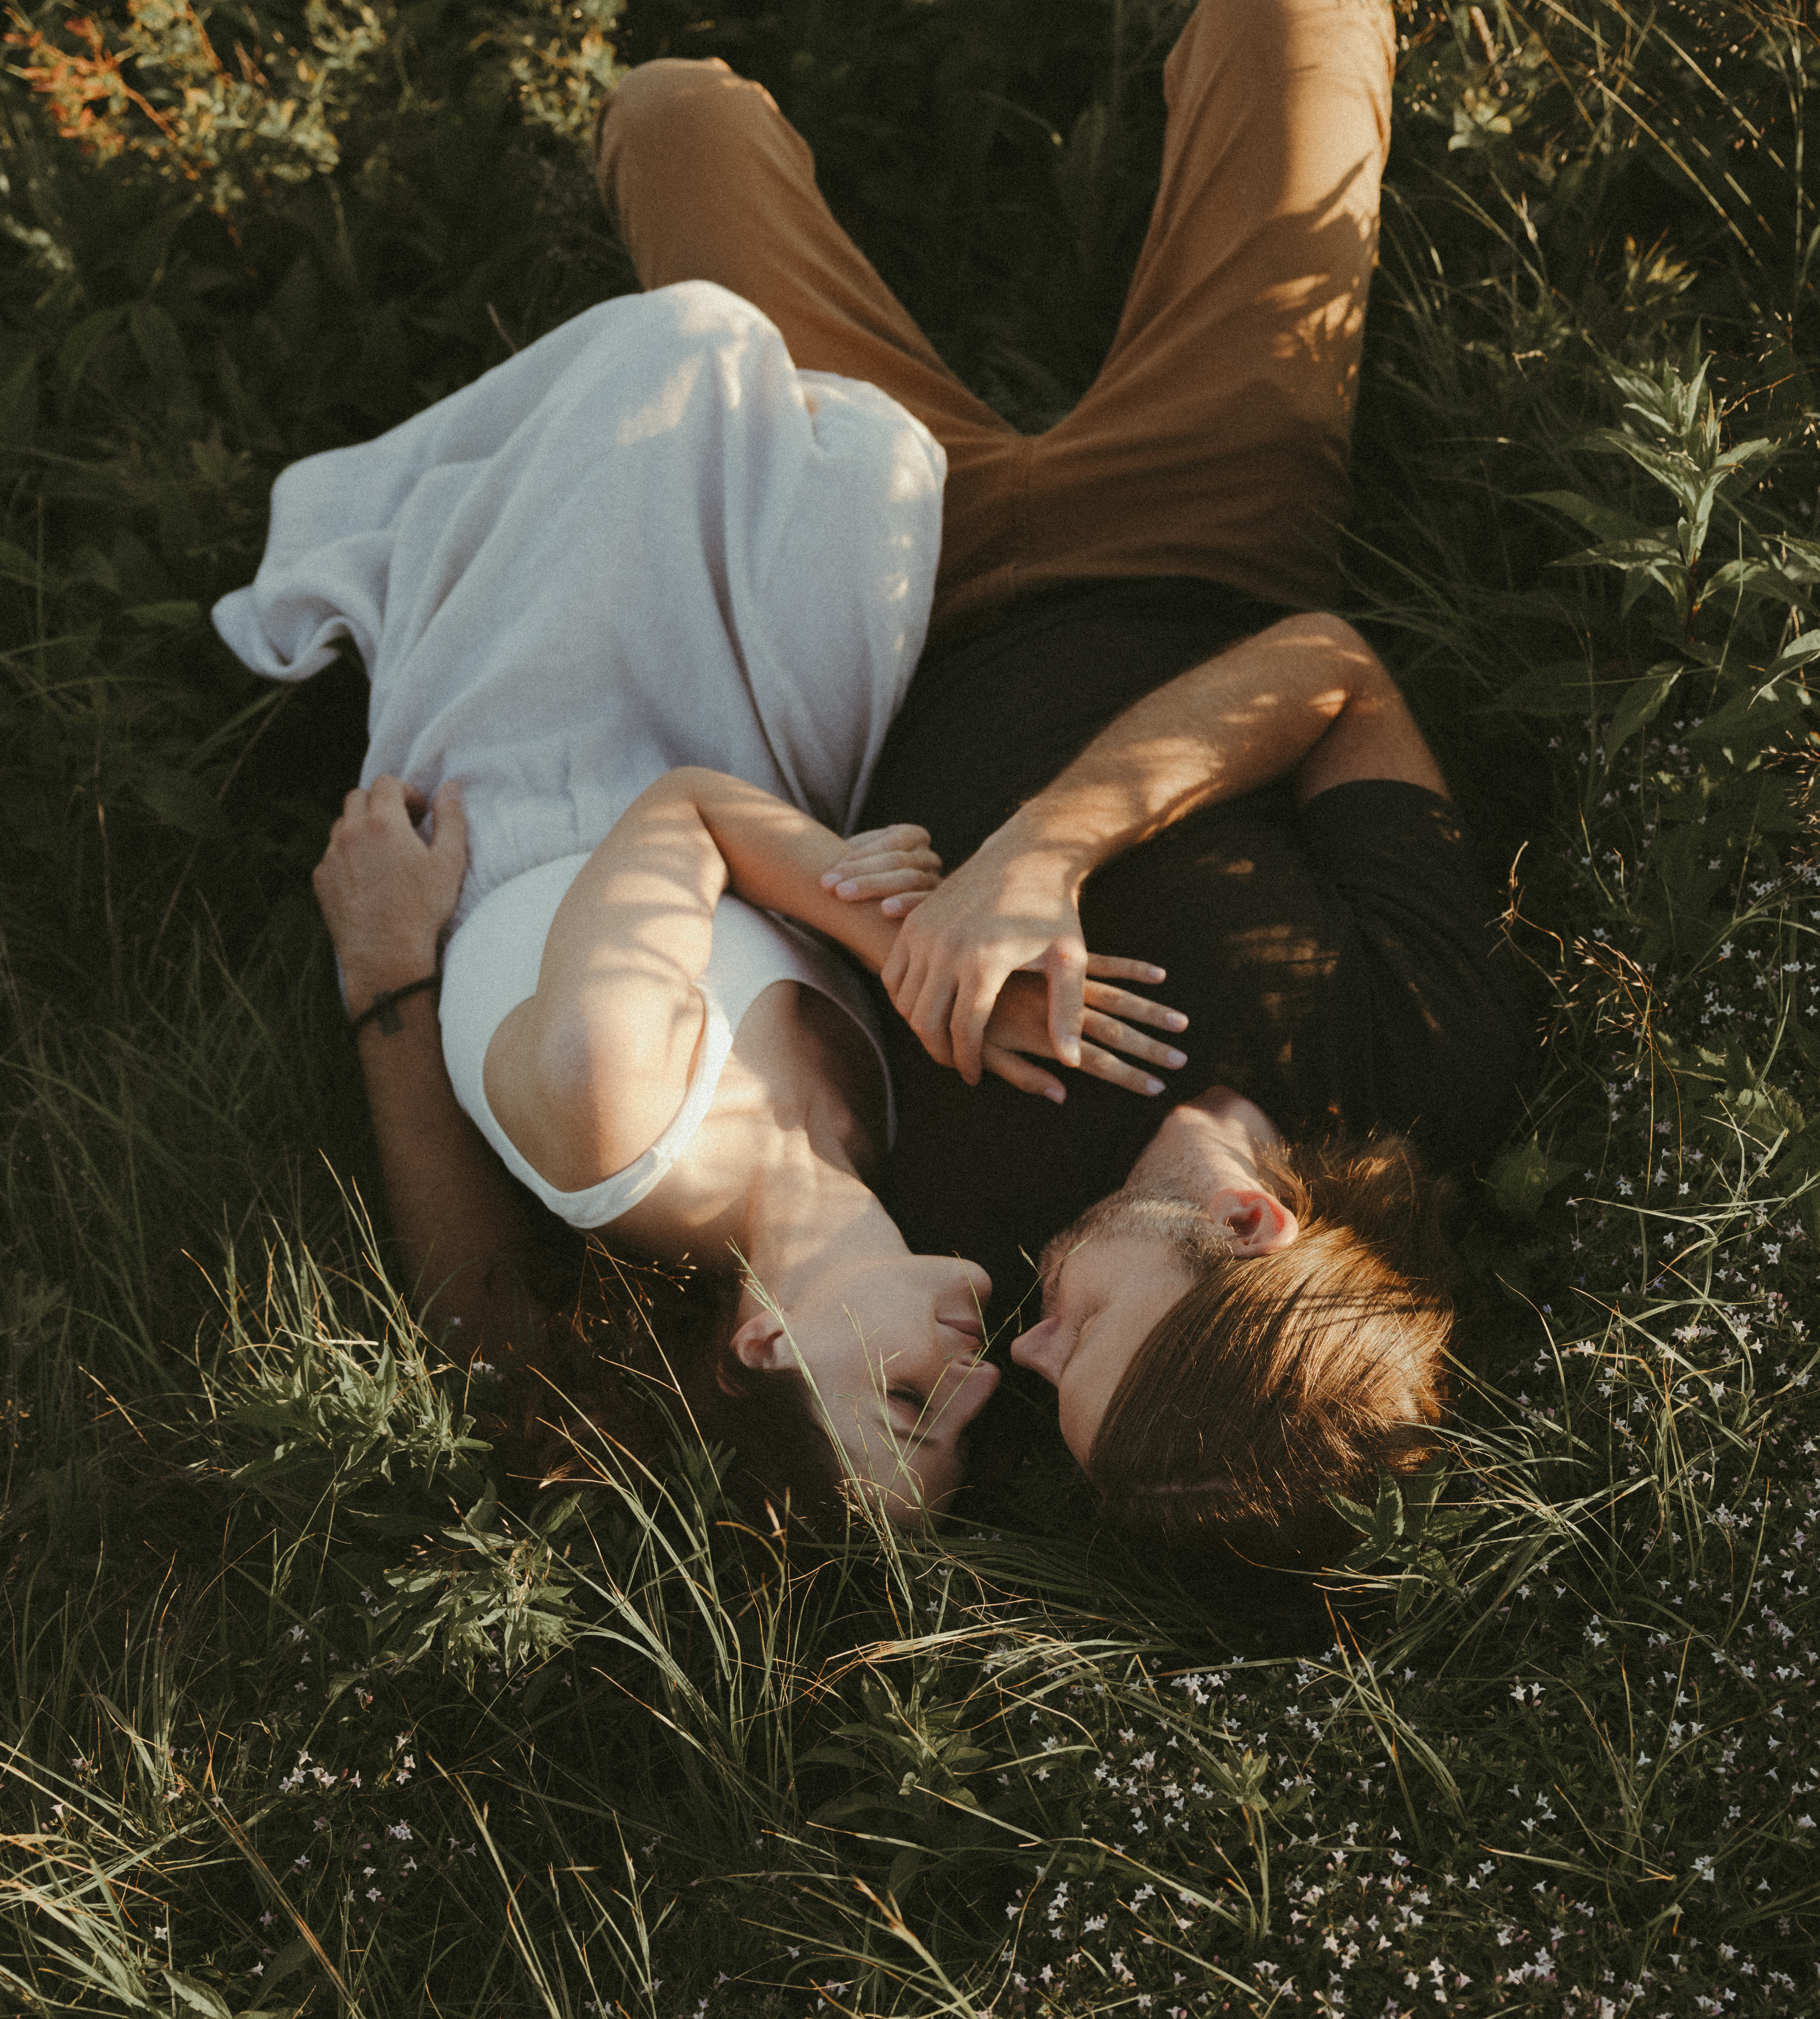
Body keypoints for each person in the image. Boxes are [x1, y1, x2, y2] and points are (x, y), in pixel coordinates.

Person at [593, 0, 1533, 1567]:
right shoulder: (1426, 1052)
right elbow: (1331, 671)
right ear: (1250, 1225)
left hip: (878, 598)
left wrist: (391, 980)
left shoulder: (965, 1239)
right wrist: (1043, 849)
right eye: (1079, 1336)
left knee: (672, 115)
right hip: (1206, 529)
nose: (1020, 1351)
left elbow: (557, 1328)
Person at [213, 283, 1189, 1523]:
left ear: (766, 1350)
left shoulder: (615, 1113)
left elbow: (684, 812)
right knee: (884, 464)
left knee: (696, 337)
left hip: (543, 770)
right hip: (751, 778)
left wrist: (903, 953)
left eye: (907, 1409)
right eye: (966, 1434)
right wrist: (897, 887)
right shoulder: (889, 1150)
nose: (982, 1384)